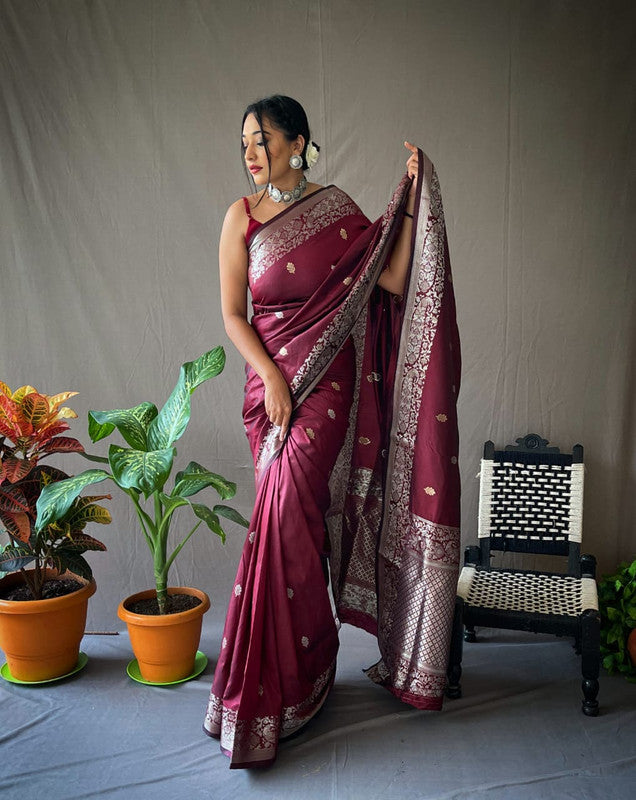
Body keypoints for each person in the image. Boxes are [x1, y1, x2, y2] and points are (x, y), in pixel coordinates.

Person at [203, 95, 461, 769]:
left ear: (298, 142)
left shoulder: (339, 212)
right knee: (284, 521)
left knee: (291, 514)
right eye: (244, 142)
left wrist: (408, 199)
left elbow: (394, 276)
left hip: (329, 389)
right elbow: (235, 316)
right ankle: (297, 674)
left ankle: (300, 676)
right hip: (273, 389)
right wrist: (275, 377)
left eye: (261, 138)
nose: (250, 151)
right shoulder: (241, 217)